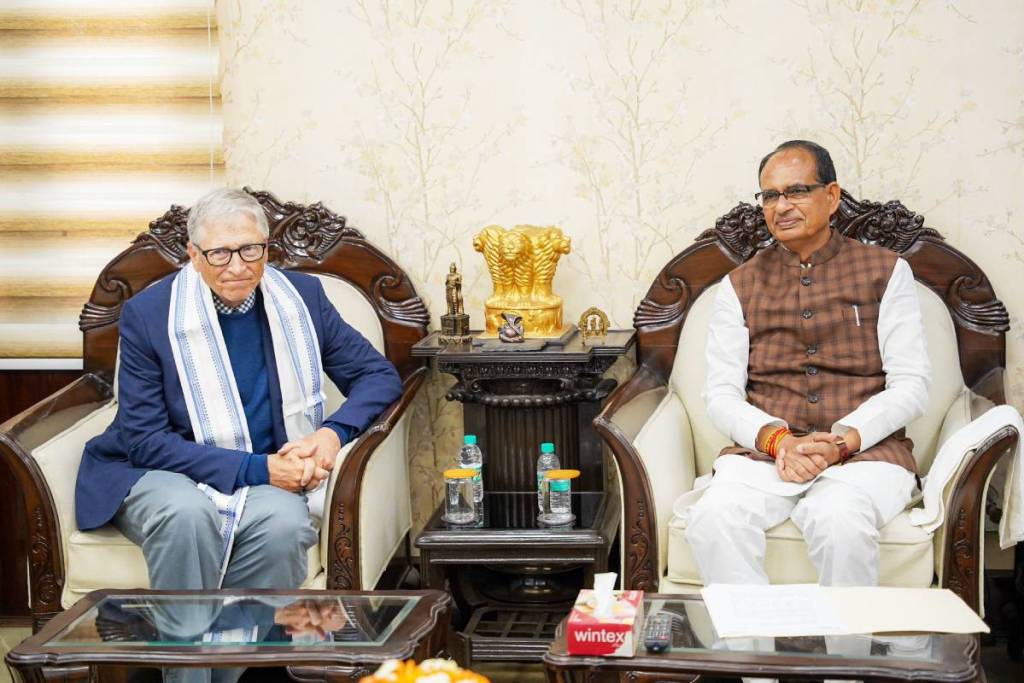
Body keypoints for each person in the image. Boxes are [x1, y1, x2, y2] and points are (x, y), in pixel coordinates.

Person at [75, 187, 404, 593]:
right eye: (220, 253)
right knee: (185, 515)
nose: (237, 266)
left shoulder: (302, 300)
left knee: (284, 526)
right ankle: (189, 658)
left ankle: (235, 656)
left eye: (250, 250)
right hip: (162, 470)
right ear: (194, 255)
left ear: (267, 250)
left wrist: (331, 434)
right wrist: (261, 469)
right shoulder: (148, 314)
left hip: (267, 476)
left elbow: (378, 376)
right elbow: (145, 442)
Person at [684, 140, 931, 589]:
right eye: (770, 195)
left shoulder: (886, 270)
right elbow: (720, 394)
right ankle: (754, 654)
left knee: (838, 518)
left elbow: (911, 385)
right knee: (713, 518)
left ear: (832, 196)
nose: (782, 206)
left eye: (796, 191)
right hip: (766, 455)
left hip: (865, 455)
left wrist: (841, 442)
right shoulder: (738, 285)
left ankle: (842, 658)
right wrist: (779, 441)